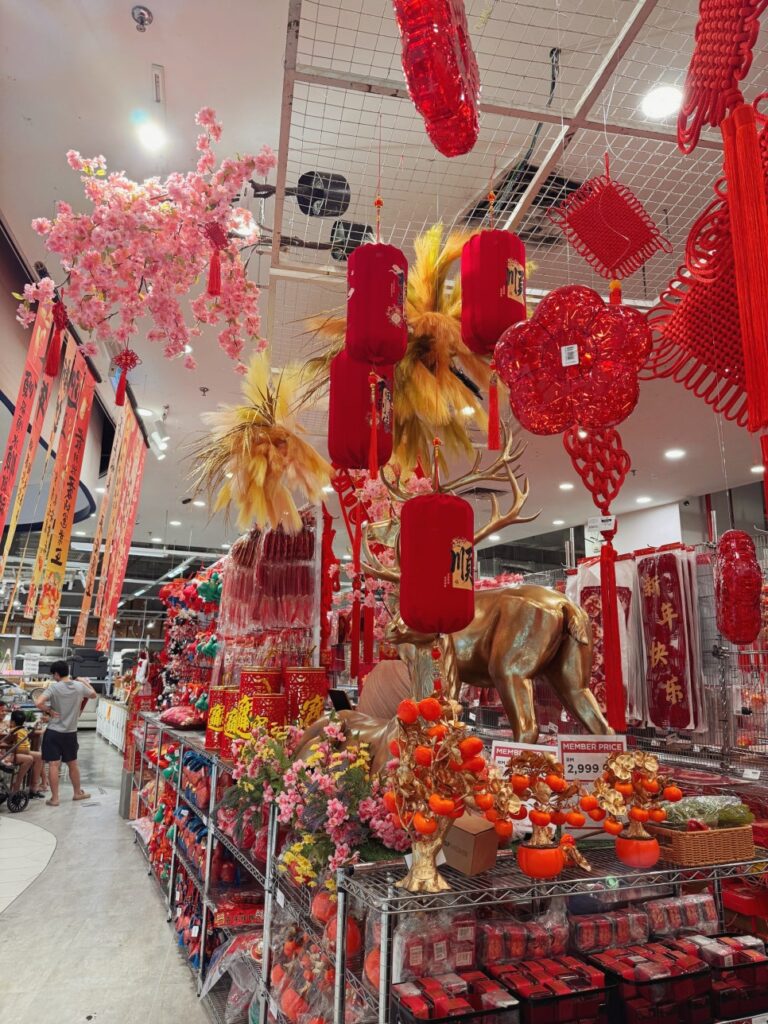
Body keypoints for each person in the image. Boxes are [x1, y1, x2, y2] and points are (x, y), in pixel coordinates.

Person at [34, 660, 98, 807]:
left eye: (53, 674)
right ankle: (77, 793)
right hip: (70, 732)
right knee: (73, 764)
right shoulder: (79, 686)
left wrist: (49, 710)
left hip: (54, 732)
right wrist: (83, 681)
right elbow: (93, 694)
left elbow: (38, 703)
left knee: (54, 765)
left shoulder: (54, 688)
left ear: (56, 674)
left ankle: (55, 799)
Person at [3, 709, 44, 796]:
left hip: (17, 752)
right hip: (13, 753)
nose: (4, 712)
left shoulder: (11, 729)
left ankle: (33, 787)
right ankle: (16, 786)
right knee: (30, 758)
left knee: (39, 756)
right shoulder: (20, 729)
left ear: (12, 721)